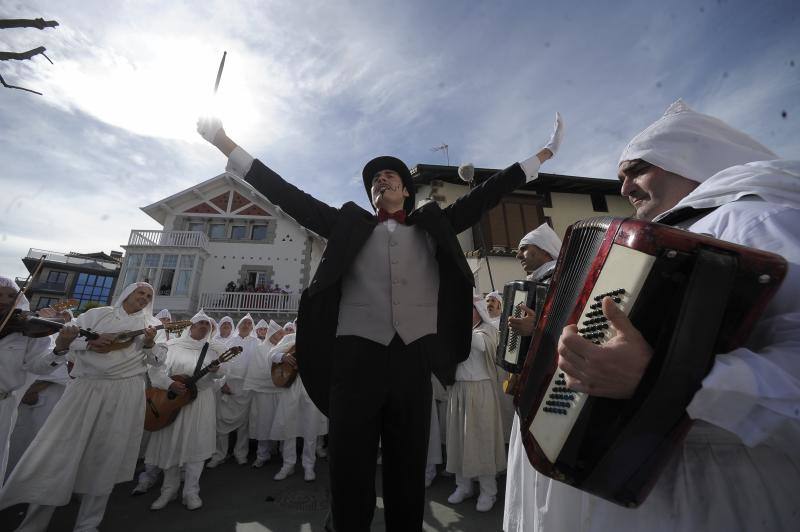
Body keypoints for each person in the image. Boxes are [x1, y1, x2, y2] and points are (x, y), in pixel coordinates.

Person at [198, 111, 563, 531]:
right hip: (355, 359)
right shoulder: (347, 224)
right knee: (348, 467)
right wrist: (225, 143)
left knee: (407, 467)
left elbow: (488, 193)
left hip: (412, 358)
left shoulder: (433, 225)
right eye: (374, 180)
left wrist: (543, 154)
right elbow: (286, 194)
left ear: (406, 191)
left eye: (389, 176)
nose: (380, 181)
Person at [505, 100, 800, 531]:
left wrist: (665, 379)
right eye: (621, 177)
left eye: (637, 169)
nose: (625, 187)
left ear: (692, 157)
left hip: (706, 498)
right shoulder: (662, 237)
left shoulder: (762, 220)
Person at [0, 282, 166, 532]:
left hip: (125, 391)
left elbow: (159, 361)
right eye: (139, 292)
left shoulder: (154, 325)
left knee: (106, 455)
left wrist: (151, 343)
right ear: (127, 293)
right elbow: (68, 339)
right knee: (60, 451)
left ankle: (88, 524)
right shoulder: (97, 314)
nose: (143, 297)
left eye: (148, 295)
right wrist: (88, 344)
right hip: (86, 386)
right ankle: (33, 524)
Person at [502, 225, 563, 531]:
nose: (520, 256)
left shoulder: (560, 279)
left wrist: (536, 330)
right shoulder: (528, 286)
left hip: (554, 389)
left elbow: (576, 329)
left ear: (546, 250)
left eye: (526, 249)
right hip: (530, 387)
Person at [145, 310, 225, 511]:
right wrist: (169, 383)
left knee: (196, 447)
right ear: (191, 326)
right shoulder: (172, 346)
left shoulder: (213, 351)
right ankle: (168, 490)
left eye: (207, 325)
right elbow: (156, 370)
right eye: (200, 324)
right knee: (171, 444)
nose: (203, 327)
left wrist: (218, 371)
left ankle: (191, 491)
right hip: (171, 402)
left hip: (200, 402)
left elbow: (223, 374)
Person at [0, 277, 64, 483]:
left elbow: (38, 366)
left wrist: (60, 348)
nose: (4, 300)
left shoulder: (26, 330)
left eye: (10, 296)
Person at [445, 294, 505, 512]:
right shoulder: (457, 331)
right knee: (459, 441)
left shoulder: (488, 331)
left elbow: (480, 345)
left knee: (482, 440)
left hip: (481, 391)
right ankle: (463, 486)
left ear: (477, 310)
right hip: (458, 391)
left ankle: (489, 492)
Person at [268, 324, 329, 482]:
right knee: (289, 426)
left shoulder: (320, 340)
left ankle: (309, 465)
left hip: (312, 387)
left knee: (310, 428)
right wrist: (283, 357)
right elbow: (271, 355)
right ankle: (288, 465)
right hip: (292, 385)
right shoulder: (289, 338)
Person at [207, 313, 258, 467]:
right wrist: (223, 384)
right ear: (239, 324)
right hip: (229, 386)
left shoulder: (256, 343)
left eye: (249, 323)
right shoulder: (230, 342)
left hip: (247, 388)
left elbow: (257, 366)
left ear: (252, 327)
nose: (246, 325)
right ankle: (219, 454)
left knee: (243, 425)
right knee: (222, 422)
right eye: (244, 322)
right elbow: (222, 364)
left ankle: (240, 454)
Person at [244, 319, 285, 468]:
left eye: (282, 333)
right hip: (264, 393)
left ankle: (283, 453)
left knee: (282, 422)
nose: (281, 336)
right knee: (264, 422)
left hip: (282, 391)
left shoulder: (286, 348)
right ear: (272, 335)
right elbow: (258, 370)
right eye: (279, 333)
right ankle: (262, 454)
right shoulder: (260, 349)